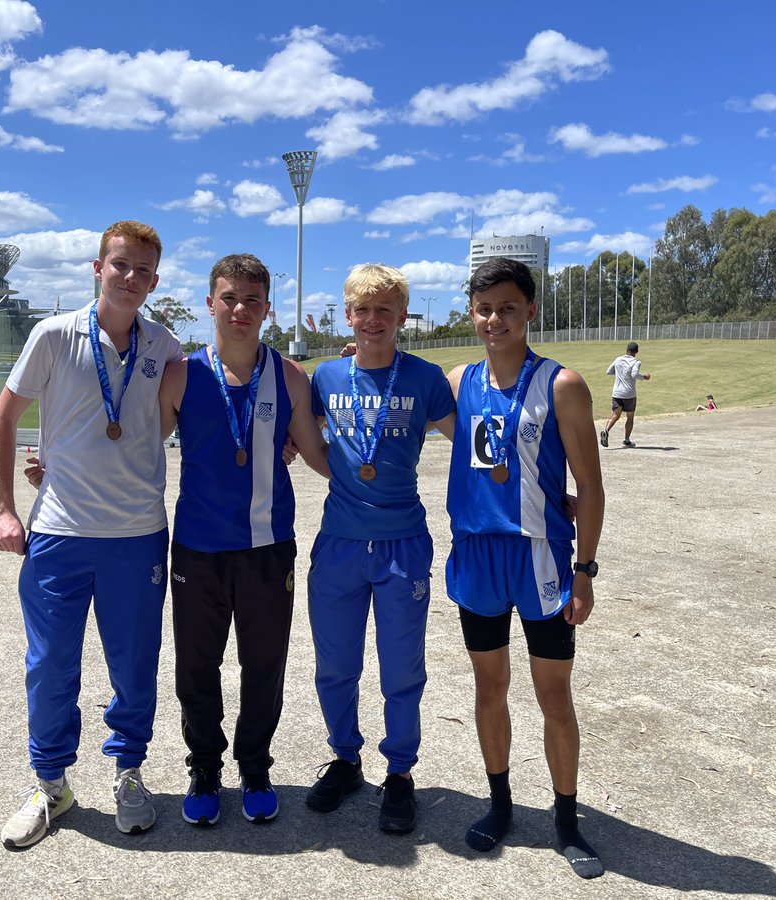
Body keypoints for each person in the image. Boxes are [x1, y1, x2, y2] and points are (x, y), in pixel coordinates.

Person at [0, 220, 183, 849]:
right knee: (49, 667)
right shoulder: (53, 335)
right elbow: (4, 419)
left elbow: (193, 416)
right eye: (120, 265)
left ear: (155, 280)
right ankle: (52, 785)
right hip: (60, 533)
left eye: (144, 270)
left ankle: (129, 774)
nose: (132, 278)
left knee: (134, 667)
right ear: (98, 268)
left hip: (137, 535)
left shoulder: (165, 346)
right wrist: (4, 508)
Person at [445, 257, 606, 878]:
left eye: (508, 307)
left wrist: (585, 570)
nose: (495, 319)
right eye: (485, 309)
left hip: (540, 558)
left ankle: (566, 819)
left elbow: (589, 486)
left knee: (553, 694)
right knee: (490, 687)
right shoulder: (459, 382)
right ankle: (501, 804)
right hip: (478, 557)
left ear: (530, 309)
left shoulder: (562, 384)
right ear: (472, 313)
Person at [157, 254, 329, 827]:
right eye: (229, 298)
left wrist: (392, 445)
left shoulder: (289, 376)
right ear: (210, 303)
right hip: (197, 551)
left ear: (267, 309)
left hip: (267, 548)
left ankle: (254, 766)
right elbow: (133, 447)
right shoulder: (181, 374)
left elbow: (320, 456)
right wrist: (56, 465)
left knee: (264, 665)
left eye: (252, 300)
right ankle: (205, 767)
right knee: (196, 667)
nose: (240, 309)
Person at [304, 264, 455, 835]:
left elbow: (472, 440)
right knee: (336, 665)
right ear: (348, 315)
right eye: (363, 311)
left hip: (402, 545)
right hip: (339, 542)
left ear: (401, 318)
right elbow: (297, 428)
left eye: (385, 311)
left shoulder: (424, 378)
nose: (372, 321)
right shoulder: (326, 376)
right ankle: (345, 759)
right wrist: (313, 460)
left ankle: (399, 773)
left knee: (401, 668)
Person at [600, 341, 649, 448]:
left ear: (626, 350)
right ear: (636, 352)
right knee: (630, 417)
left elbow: (608, 371)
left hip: (617, 393)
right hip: (629, 394)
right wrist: (645, 377)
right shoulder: (636, 362)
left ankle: (606, 430)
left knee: (615, 415)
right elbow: (634, 374)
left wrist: (619, 373)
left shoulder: (618, 359)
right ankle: (626, 441)